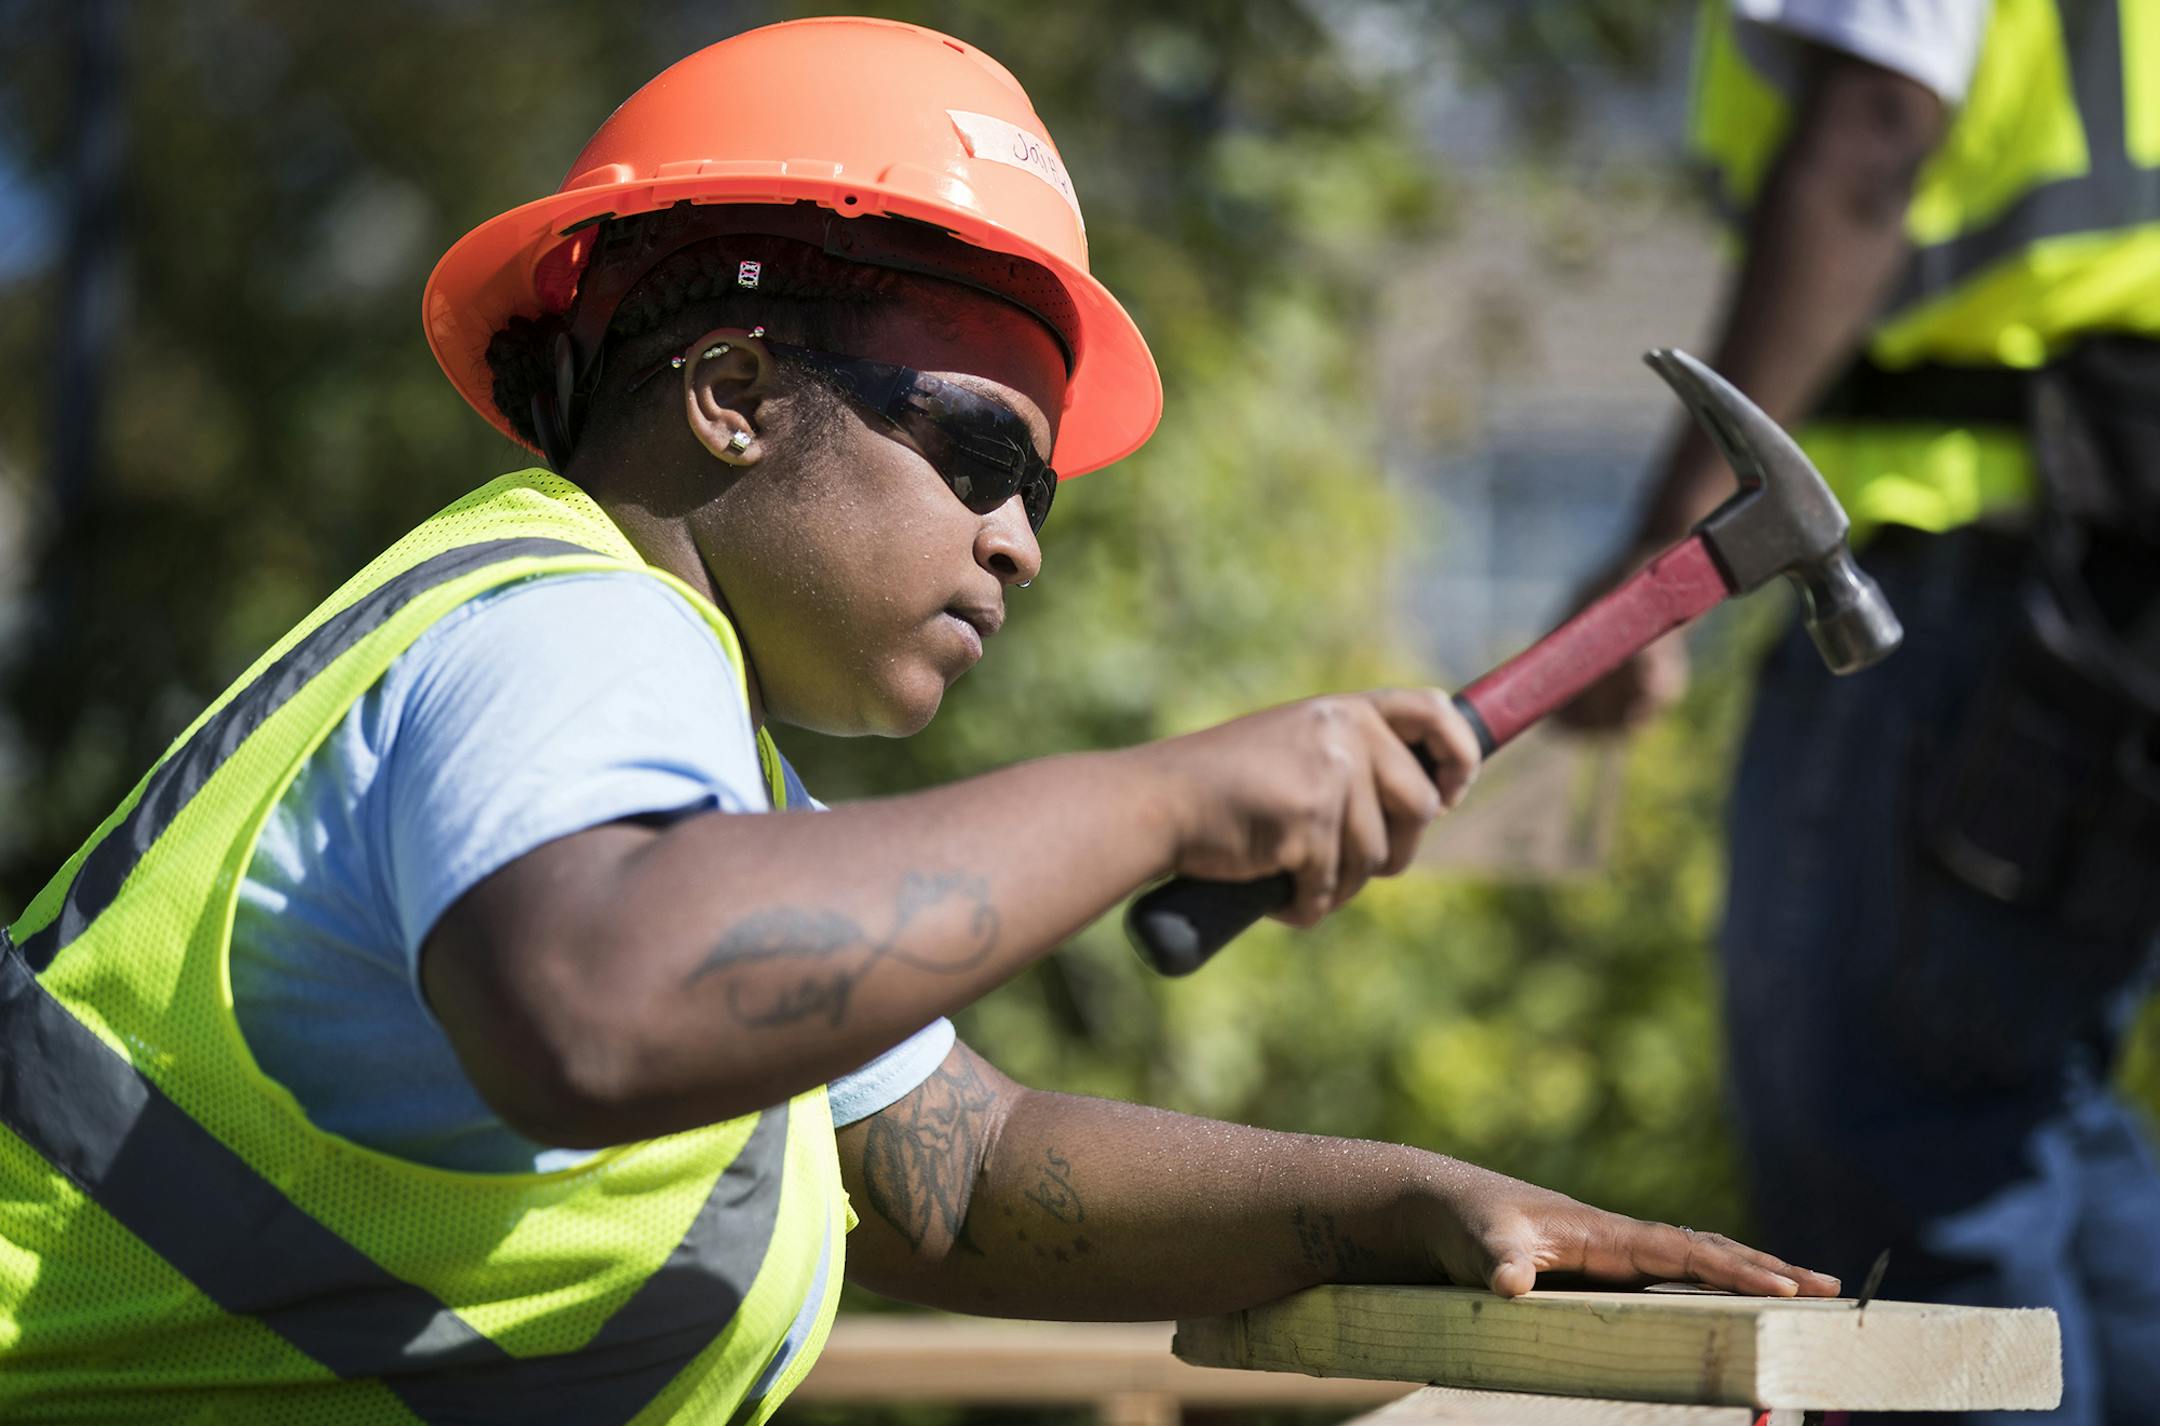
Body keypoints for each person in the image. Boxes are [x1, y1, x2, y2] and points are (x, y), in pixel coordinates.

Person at [0, 17, 1837, 1423]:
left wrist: (1419, 1197)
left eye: (1044, 491)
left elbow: (957, 1174)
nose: (1018, 540)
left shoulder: (699, 780)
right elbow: (598, 1007)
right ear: (726, 389)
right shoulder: (570, 632)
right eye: (974, 452)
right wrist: (1166, 797)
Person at [1566, 3, 2160, 1421]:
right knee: (2030, 1130)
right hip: (2095, 567)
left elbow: (1868, 142)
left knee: (1898, 1167)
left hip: (1973, 580)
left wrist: (1662, 561)